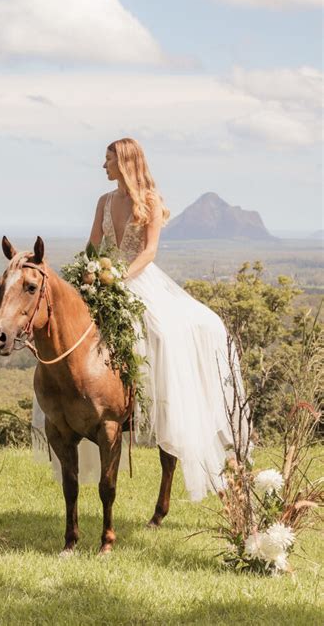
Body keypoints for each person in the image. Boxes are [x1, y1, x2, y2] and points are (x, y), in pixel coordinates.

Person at [85, 137, 246, 501]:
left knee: (160, 332)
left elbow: (149, 251)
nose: (103, 166)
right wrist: (91, 273)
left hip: (138, 280)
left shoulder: (151, 202)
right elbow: (93, 245)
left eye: (108, 159)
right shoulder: (103, 202)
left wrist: (120, 279)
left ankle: (154, 403)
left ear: (124, 162)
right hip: (103, 279)